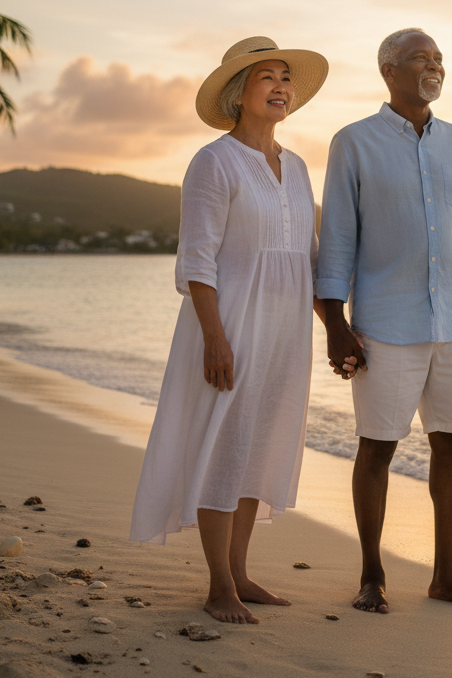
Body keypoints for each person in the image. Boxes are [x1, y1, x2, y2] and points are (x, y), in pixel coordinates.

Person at [130, 36, 330, 625]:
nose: (280, 86)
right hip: (231, 325)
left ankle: (241, 573)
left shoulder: (295, 168)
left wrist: (339, 327)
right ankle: (219, 584)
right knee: (222, 447)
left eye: (285, 78)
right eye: (266, 76)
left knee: (256, 447)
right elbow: (197, 260)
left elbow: (308, 258)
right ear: (238, 94)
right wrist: (215, 338)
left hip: (286, 331)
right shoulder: (213, 162)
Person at [316, 27, 452, 614]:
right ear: (388, 70)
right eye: (422, 58)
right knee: (377, 449)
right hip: (384, 326)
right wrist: (335, 325)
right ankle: (372, 575)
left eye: (440, 58)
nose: (435, 66)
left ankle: (445, 576)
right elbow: (338, 242)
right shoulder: (354, 143)